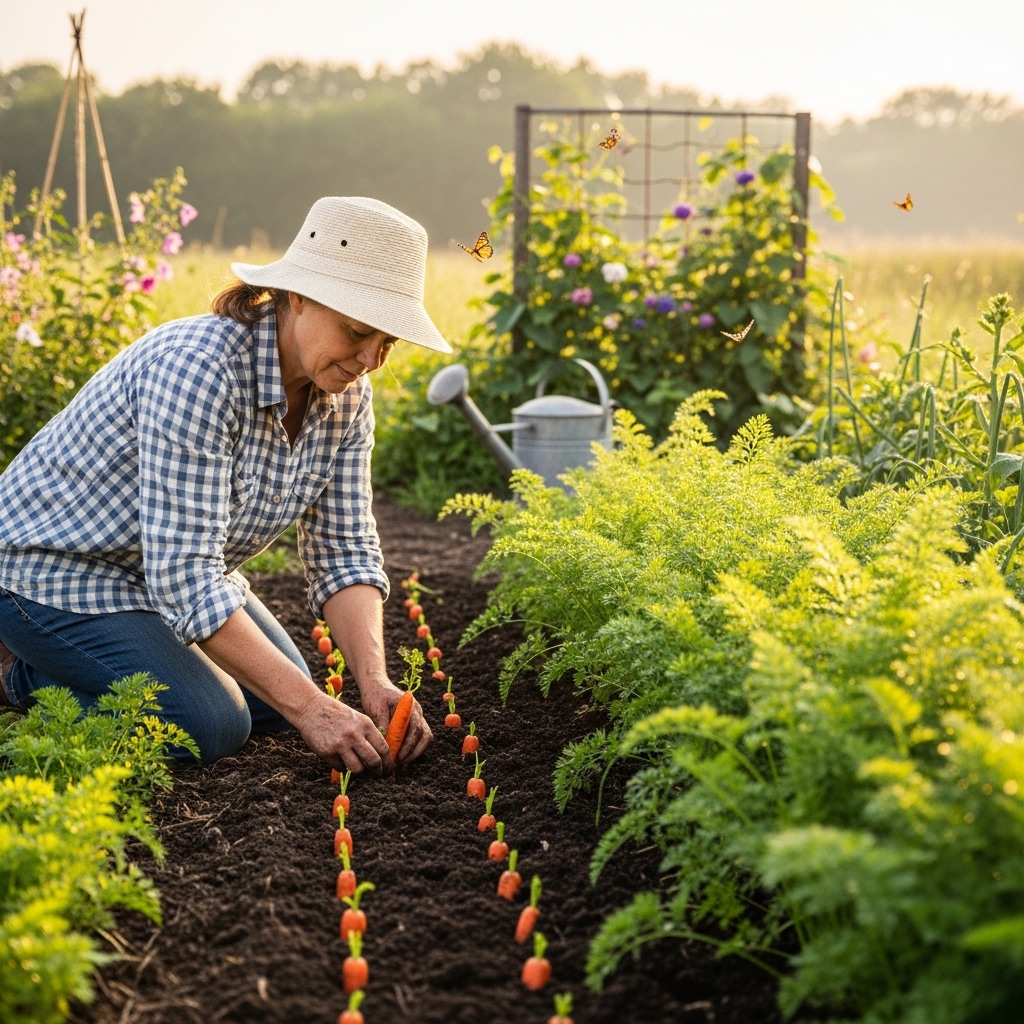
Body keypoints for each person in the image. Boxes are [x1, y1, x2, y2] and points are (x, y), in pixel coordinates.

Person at [0, 196, 451, 773]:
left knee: (273, 700)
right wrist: (312, 710)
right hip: (54, 571)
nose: (369, 359)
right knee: (211, 723)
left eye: (387, 343)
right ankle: (18, 671)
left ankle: (96, 659)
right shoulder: (200, 371)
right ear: (299, 296)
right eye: (357, 332)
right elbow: (185, 574)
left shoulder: (345, 397)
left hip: (149, 572)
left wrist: (373, 681)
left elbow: (344, 551)